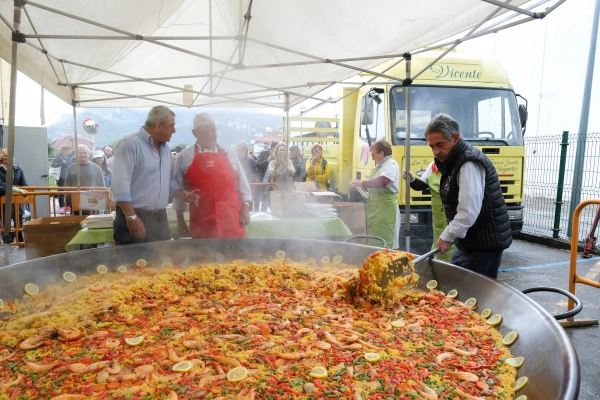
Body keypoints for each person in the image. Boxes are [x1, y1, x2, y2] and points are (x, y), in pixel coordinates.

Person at [424, 113, 511, 278]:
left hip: (483, 243)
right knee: (455, 286)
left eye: (440, 145)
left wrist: (447, 236)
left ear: (455, 137)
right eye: (432, 146)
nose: (436, 151)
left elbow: (468, 211)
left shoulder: (468, 164)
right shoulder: (452, 160)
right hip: (469, 243)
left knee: (469, 295)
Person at [111, 105, 196, 245]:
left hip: (160, 218)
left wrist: (182, 194)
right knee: (132, 263)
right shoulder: (129, 144)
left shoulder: (166, 149)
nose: (174, 130)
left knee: (161, 262)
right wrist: (131, 217)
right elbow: (120, 185)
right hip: (134, 215)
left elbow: (169, 180)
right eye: (171, 126)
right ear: (158, 126)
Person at [173, 113, 252, 239]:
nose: (210, 135)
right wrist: (180, 220)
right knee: (205, 257)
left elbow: (244, 186)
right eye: (205, 131)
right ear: (195, 133)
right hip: (202, 223)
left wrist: (246, 208)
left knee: (236, 257)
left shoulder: (230, 154)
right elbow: (177, 190)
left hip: (232, 220)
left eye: (213, 130)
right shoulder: (184, 156)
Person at [349, 139, 400, 249]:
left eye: (373, 155)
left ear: (381, 153)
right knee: (374, 238)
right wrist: (362, 188)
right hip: (375, 208)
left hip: (385, 209)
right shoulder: (378, 166)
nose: (372, 157)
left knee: (384, 238)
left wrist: (362, 183)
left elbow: (383, 181)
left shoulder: (391, 164)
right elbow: (374, 186)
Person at [402, 161, 455, 261]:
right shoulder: (433, 165)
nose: (436, 151)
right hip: (438, 214)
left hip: (454, 211)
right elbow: (421, 185)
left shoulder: (459, 164)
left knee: (454, 248)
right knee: (439, 244)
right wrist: (412, 180)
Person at [0, 148, 29, 242]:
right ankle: (7, 242)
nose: (7, 157)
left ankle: (20, 240)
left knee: (19, 221)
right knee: (5, 222)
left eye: (9, 155)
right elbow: (2, 186)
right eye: (4, 155)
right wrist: (16, 188)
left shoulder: (17, 168)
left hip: (17, 202)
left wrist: (17, 189)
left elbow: (25, 183)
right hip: (4, 202)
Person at [51, 145, 74, 214]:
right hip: (62, 177)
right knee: (61, 191)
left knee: (69, 192)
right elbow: (53, 164)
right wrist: (62, 163)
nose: (71, 151)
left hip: (69, 177)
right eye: (69, 149)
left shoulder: (71, 158)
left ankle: (67, 205)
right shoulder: (59, 157)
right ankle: (61, 207)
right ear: (65, 150)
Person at [255, 142, 278, 211]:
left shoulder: (278, 157)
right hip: (262, 182)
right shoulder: (263, 154)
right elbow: (258, 165)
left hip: (273, 183)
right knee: (261, 200)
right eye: (277, 149)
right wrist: (267, 160)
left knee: (271, 202)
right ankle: (260, 215)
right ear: (272, 148)